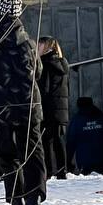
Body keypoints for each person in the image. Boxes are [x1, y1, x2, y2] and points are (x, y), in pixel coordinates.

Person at [0, 0, 46, 205]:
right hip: (27, 106)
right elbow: (38, 73)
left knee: (6, 153)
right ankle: (32, 200)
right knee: (32, 150)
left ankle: (15, 200)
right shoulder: (27, 43)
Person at [37, 36, 70, 179]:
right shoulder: (62, 63)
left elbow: (44, 88)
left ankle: (49, 171)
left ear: (47, 47)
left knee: (47, 141)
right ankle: (62, 170)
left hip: (48, 106)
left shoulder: (45, 64)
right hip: (60, 108)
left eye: (39, 46)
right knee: (57, 139)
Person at [66, 96, 103, 175]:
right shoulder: (102, 117)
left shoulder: (76, 120)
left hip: (85, 163)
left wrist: (68, 162)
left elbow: (71, 143)